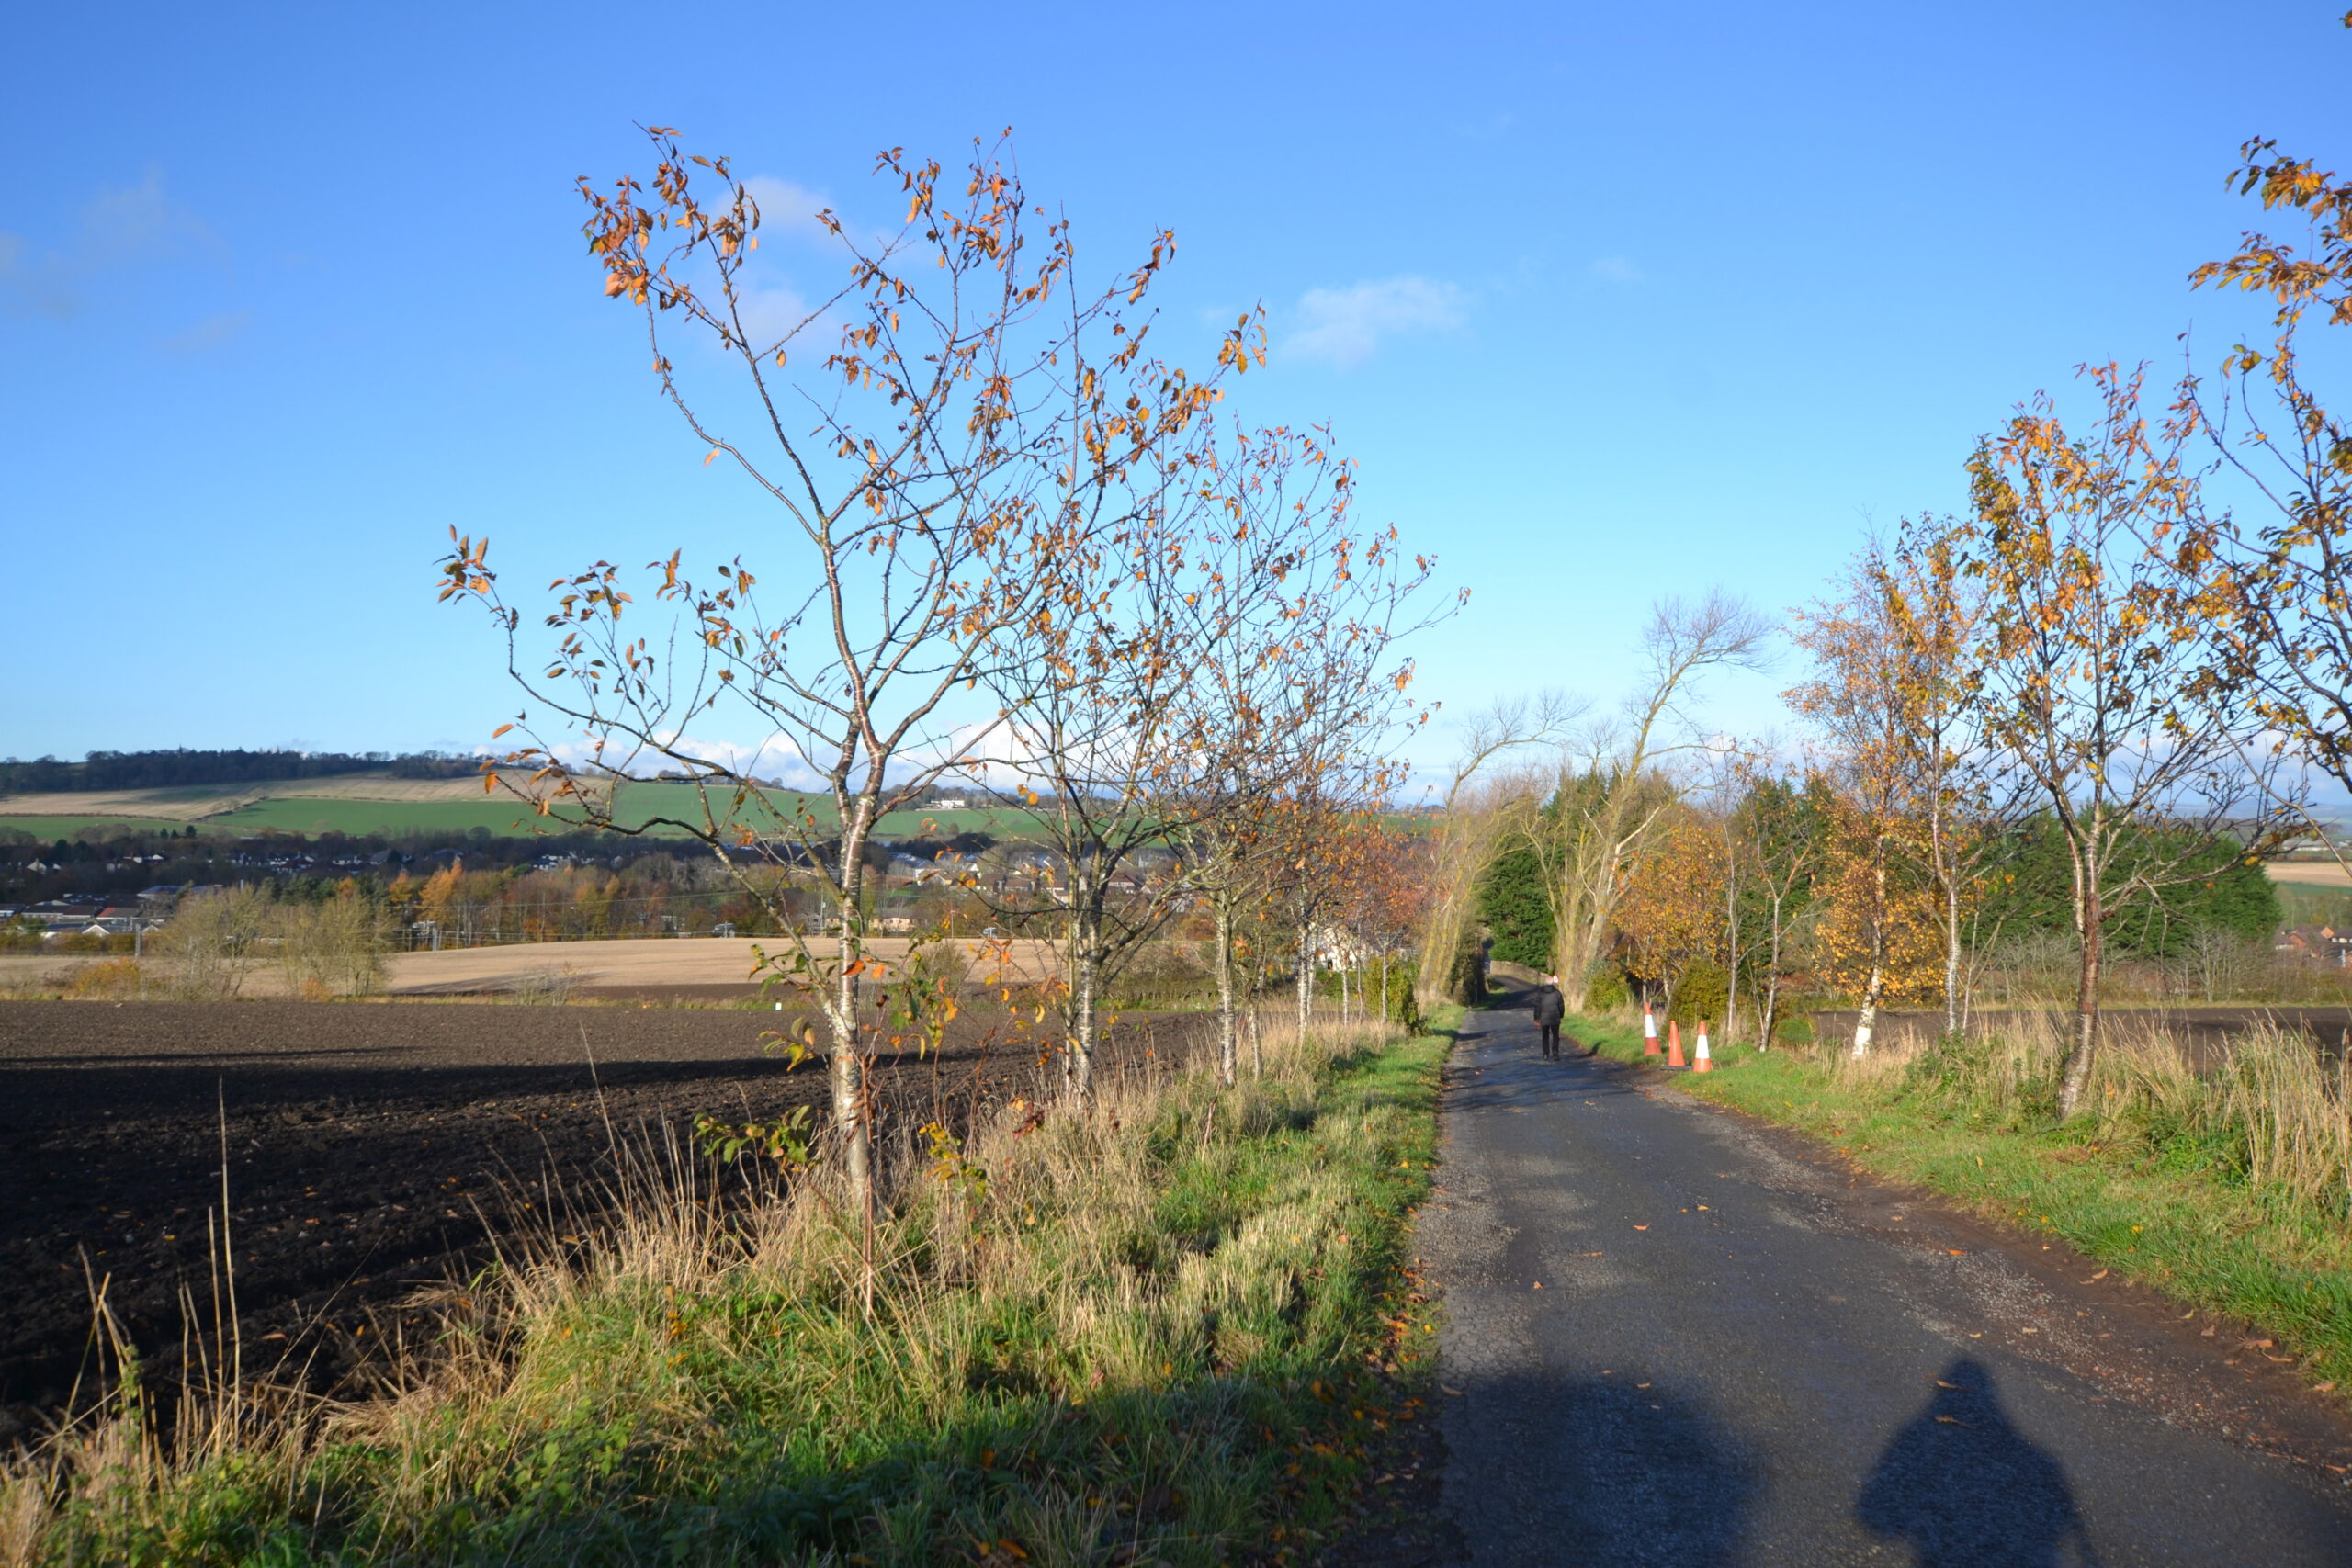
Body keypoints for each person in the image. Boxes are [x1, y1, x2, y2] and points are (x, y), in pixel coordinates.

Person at [1532, 973, 1566, 1058]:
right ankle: (1555, 1053)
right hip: (1555, 1017)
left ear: (1545, 983)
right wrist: (1561, 1015)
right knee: (1555, 1036)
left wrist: (1536, 1019)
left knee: (1545, 1035)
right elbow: (1561, 1005)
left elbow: (1537, 1007)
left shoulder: (1540, 993)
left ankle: (1546, 1054)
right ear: (1552, 983)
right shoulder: (1557, 993)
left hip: (1544, 1017)